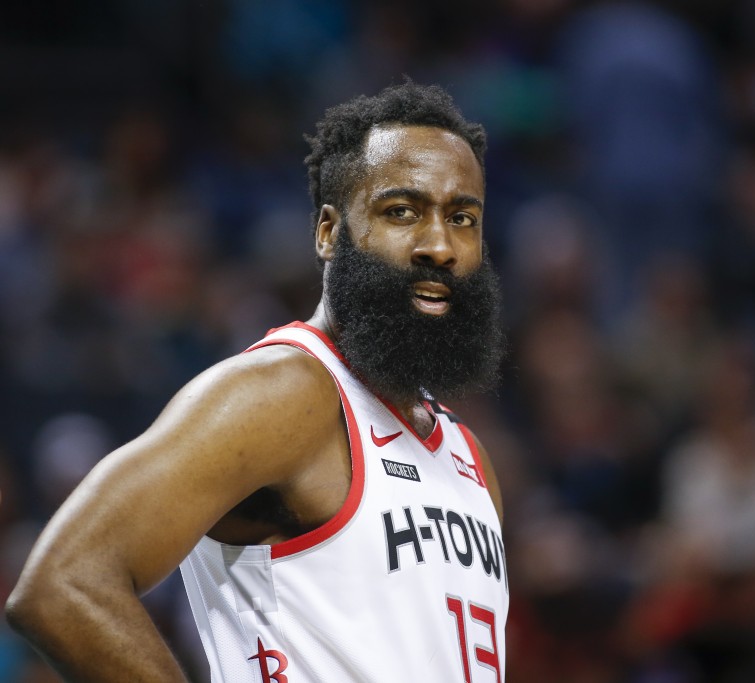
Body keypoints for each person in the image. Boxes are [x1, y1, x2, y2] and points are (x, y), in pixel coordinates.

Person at [6, 81, 509, 683]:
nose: (440, 246)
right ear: (328, 232)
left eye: (462, 218)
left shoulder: (470, 459)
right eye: (401, 211)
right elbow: (63, 585)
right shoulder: (282, 392)